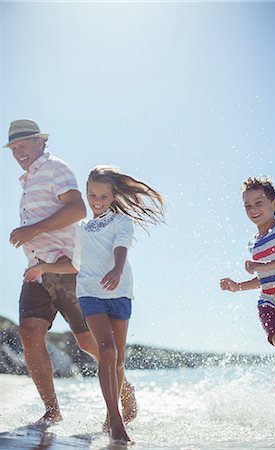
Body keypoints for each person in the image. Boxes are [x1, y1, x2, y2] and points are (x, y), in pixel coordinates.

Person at [4, 119, 137, 427]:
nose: (18, 152)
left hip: (68, 270)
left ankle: (123, 386)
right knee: (29, 332)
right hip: (37, 271)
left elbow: (78, 210)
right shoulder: (27, 180)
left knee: (89, 344)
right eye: (14, 148)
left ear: (40, 142)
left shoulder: (55, 169)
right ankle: (52, 410)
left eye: (23, 145)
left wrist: (32, 229)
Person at [24, 165, 166, 444]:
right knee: (107, 350)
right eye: (91, 195)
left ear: (113, 196)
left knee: (118, 359)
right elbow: (75, 265)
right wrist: (44, 268)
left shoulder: (121, 222)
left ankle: (110, 414)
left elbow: (121, 248)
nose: (96, 201)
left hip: (120, 293)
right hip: (90, 294)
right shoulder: (82, 229)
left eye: (102, 195)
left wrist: (116, 269)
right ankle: (116, 422)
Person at [220, 176, 275, 427]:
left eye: (259, 203)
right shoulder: (253, 244)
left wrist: (263, 265)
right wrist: (238, 287)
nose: (253, 210)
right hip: (271, 304)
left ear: (274, 203)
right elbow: (266, 278)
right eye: (247, 206)